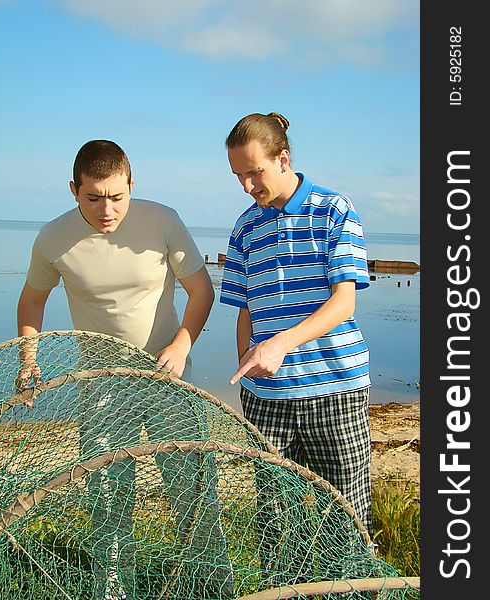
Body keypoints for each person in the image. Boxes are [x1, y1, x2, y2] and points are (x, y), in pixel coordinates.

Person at [16, 140, 233, 599]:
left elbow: (201, 291)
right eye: (93, 198)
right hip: (99, 385)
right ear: (74, 190)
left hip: (167, 378)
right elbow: (33, 299)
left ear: (132, 185)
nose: (106, 209)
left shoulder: (163, 220)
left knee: (193, 490)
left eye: (117, 196)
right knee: (108, 499)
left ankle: (214, 586)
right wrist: (28, 361)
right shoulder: (53, 238)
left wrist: (180, 345)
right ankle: (114, 591)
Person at [220, 112, 373, 580]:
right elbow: (245, 311)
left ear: (283, 158)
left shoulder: (334, 210)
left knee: (347, 524)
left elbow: (343, 303)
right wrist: (249, 361)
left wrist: (281, 343)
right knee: (275, 528)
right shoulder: (245, 229)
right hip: (268, 403)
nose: (247, 185)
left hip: (336, 392)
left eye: (254, 172)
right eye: (238, 176)